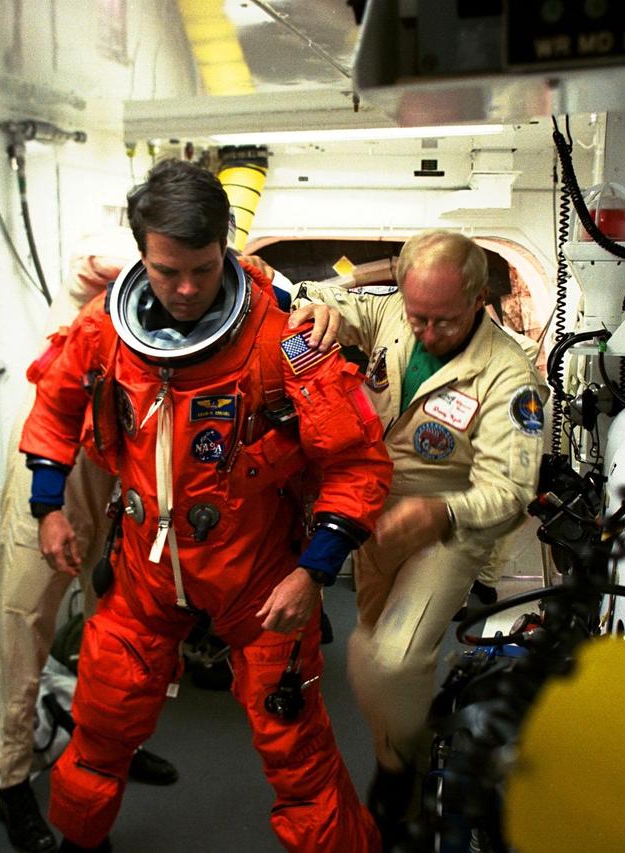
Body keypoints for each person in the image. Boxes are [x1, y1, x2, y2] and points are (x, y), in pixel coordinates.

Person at [20, 158, 392, 852]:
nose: (187, 288)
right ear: (142, 256)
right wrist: (49, 506)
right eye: (167, 271)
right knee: (102, 721)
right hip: (145, 575)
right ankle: (79, 841)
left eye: (202, 267)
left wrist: (314, 573)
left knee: (297, 751)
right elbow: (56, 400)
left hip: (257, 576)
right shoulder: (106, 328)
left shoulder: (287, 340)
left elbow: (357, 462)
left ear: (227, 246)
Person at [293, 229, 544, 843]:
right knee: (368, 655)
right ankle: (396, 751)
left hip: (448, 525)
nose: (427, 333)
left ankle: (398, 769)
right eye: (418, 316)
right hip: (372, 511)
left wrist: (438, 515)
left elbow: (510, 492)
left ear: (480, 299)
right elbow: (309, 294)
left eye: (444, 321)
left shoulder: (507, 377)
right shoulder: (390, 315)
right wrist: (324, 304)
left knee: (394, 660)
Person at [0, 239, 179, 853]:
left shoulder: (201, 297)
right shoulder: (103, 272)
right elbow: (91, 265)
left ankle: (117, 747)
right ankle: (10, 780)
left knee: (121, 624)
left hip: (129, 455)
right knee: (23, 620)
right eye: (169, 265)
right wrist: (159, 268)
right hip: (55, 458)